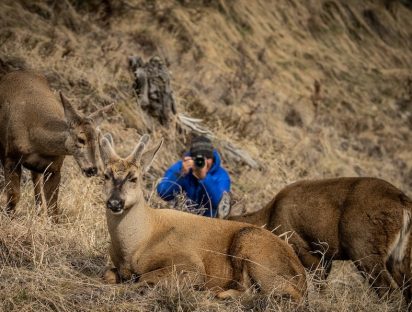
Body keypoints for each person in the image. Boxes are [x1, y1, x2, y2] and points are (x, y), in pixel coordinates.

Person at [157, 136, 231, 217]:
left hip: (208, 222)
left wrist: (204, 178)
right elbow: (163, 194)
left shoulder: (221, 176)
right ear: (191, 158)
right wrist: (181, 174)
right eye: (199, 158)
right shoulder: (180, 167)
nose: (204, 162)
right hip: (182, 218)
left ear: (213, 158)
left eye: (208, 157)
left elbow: (219, 204)